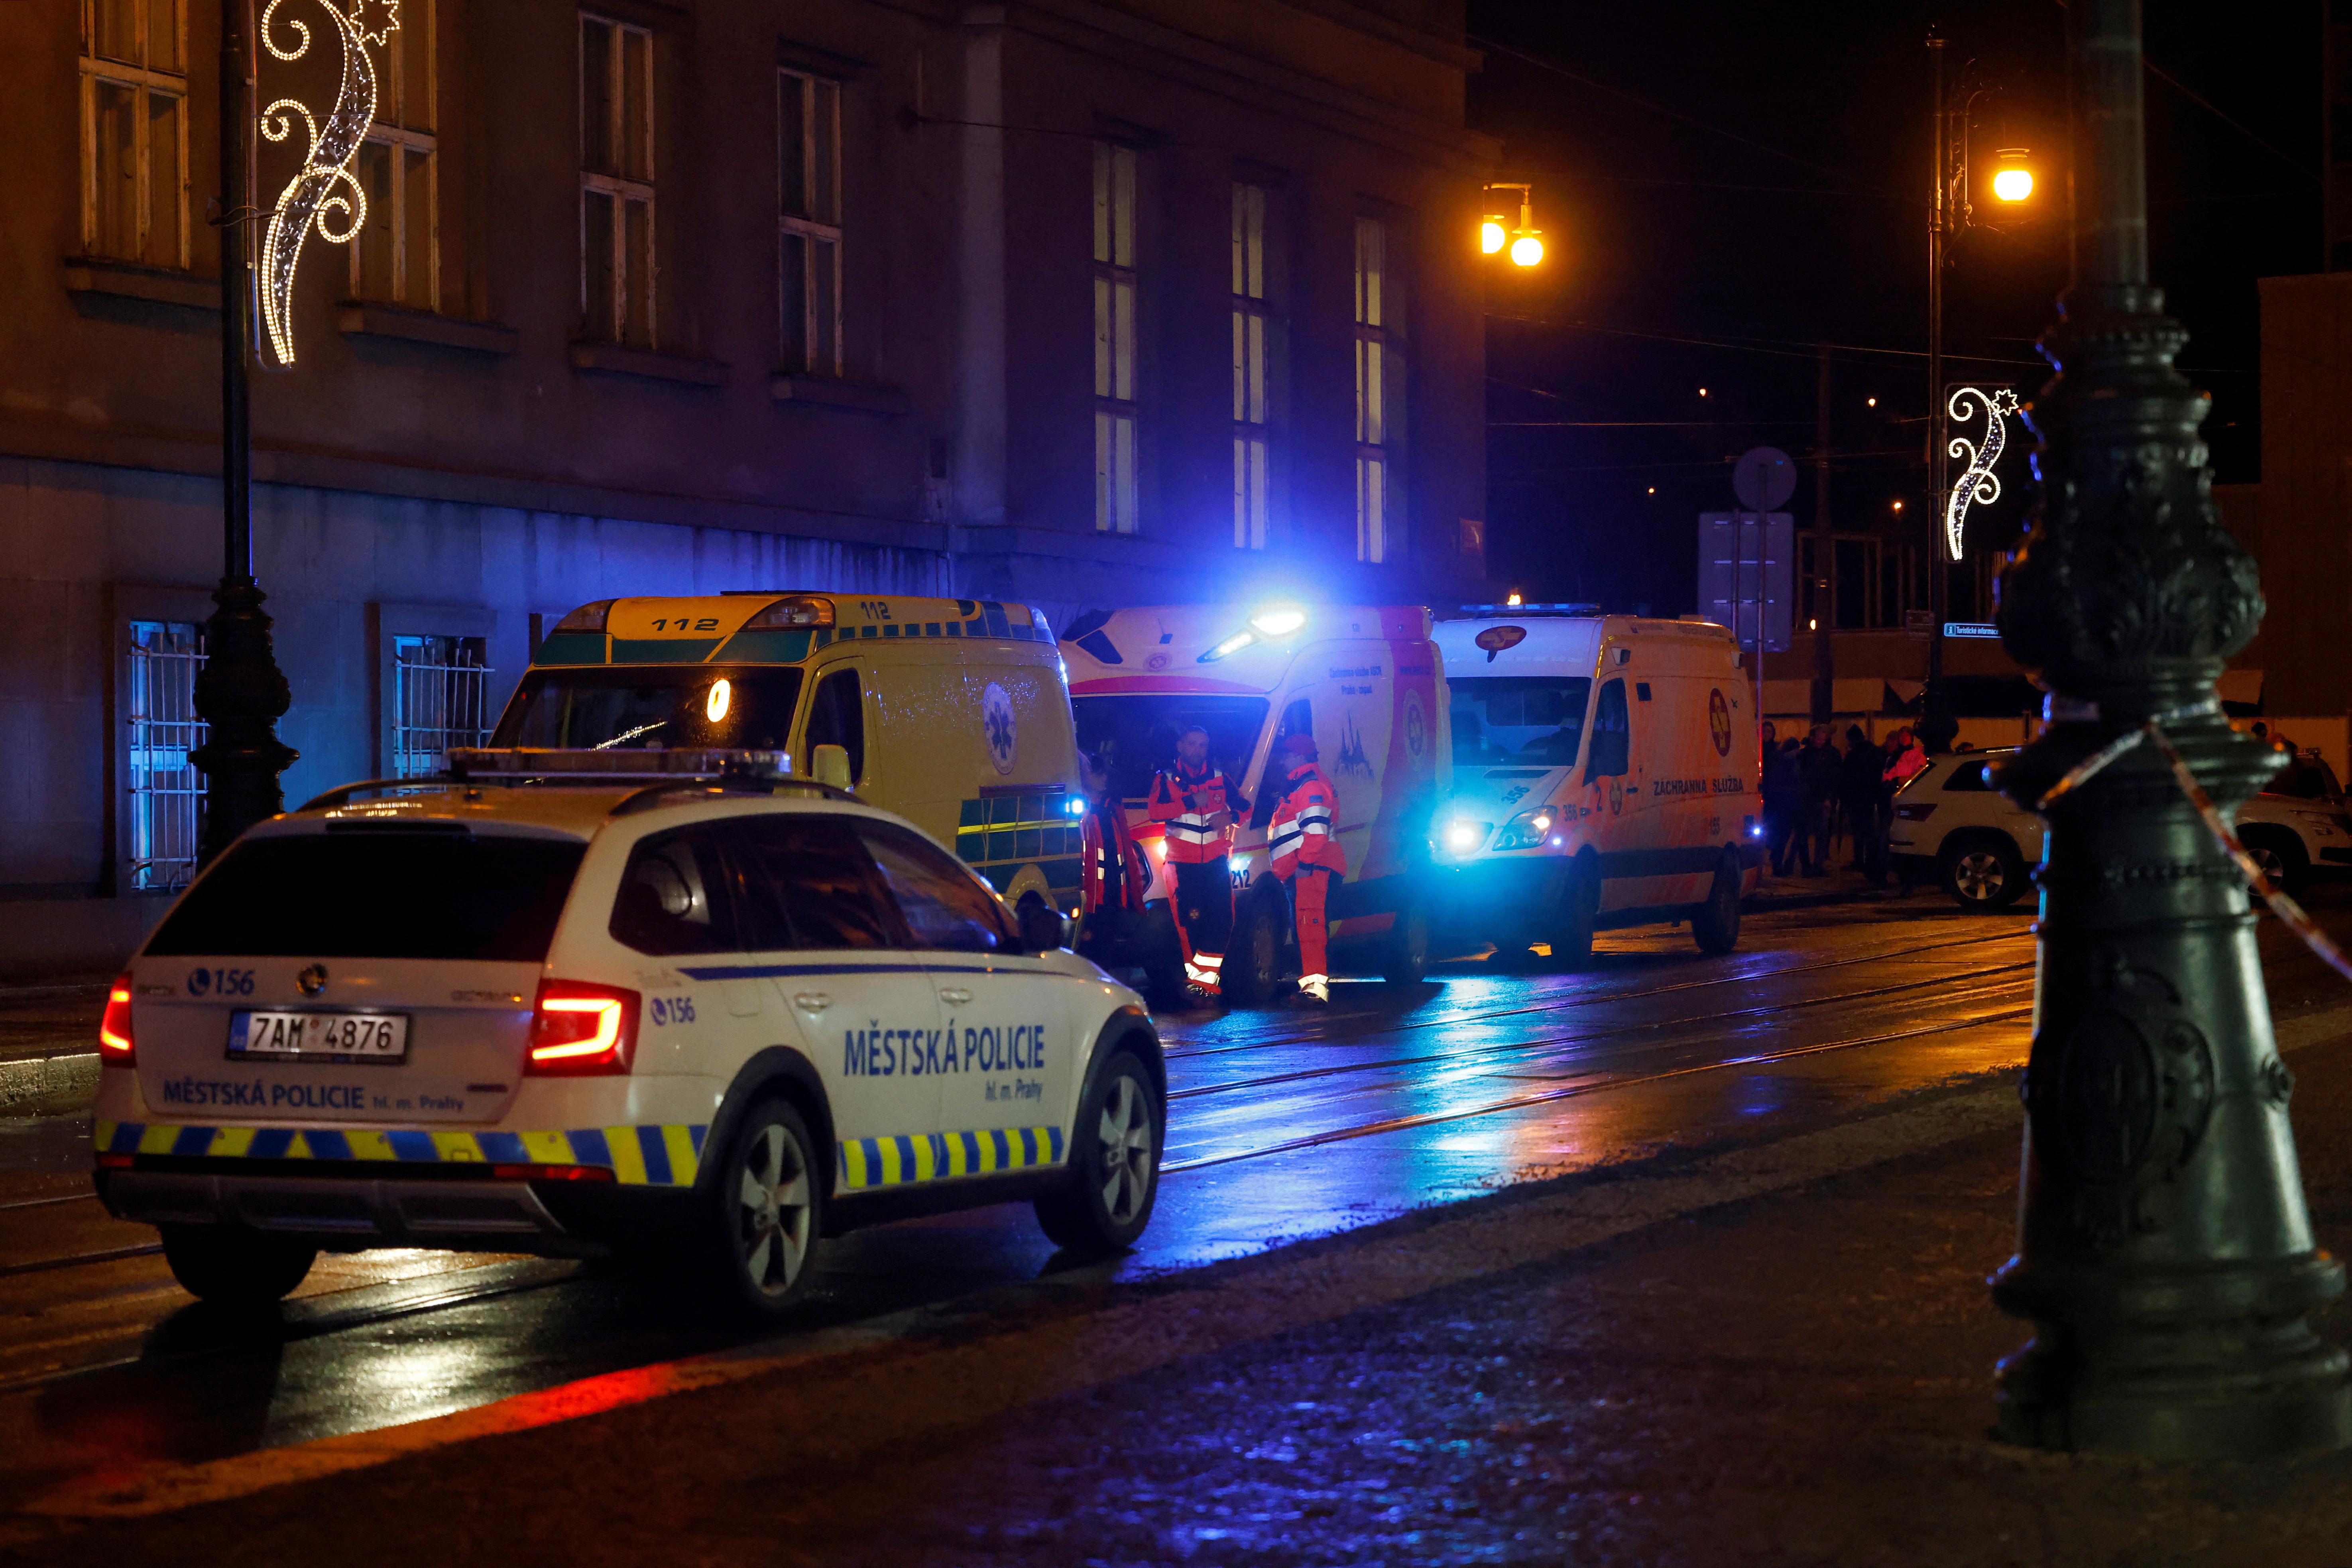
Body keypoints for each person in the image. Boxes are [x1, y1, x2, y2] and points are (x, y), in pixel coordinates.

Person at [1145, 724, 1246, 1002]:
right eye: (1192, 744)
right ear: (1180, 746)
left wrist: (1232, 816)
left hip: (1215, 861)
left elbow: (1246, 806)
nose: (1197, 750)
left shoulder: (1220, 778)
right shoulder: (1165, 779)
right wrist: (1190, 800)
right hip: (1182, 863)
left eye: (1202, 745)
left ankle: (1201, 982)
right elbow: (1155, 812)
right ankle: (1201, 985)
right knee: (1192, 924)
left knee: (1224, 920)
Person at [1268, 730, 1346, 1005]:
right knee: (1307, 927)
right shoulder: (1304, 784)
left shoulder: (1310, 786)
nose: (1282, 761)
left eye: (1286, 755)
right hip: (1308, 870)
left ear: (1300, 756)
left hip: (1313, 870)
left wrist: (1304, 865)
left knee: (1310, 927)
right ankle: (1311, 986)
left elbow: (1316, 834)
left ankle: (1315, 989)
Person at [1842, 724, 1886, 882]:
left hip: (1858, 799)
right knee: (1871, 834)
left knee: (1862, 833)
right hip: (1873, 798)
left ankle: (1863, 862)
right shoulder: (1876, 753)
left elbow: (1846, 778)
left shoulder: (1854, 756)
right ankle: (1869, 863)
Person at [1765, 738, 1814, 877]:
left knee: (1793, 837)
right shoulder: (1784, 763)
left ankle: (1795, 866)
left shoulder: (1788, 762)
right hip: (1787, 805)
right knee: (1786, 837)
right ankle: (1781, 865)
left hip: (1792, 805)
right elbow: (1780, 785)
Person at [1799, 724, 1842, 875]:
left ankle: (1817, 865)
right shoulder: (1806, 755)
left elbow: (1833, 778)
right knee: (1808, 833)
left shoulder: (1828, 755)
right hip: (1809, 799)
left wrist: (1829, 797)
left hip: (1820, 799)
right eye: (1818, 738)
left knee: (1821, 832)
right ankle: (1809, 866)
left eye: (1822, 739)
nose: (1820, 741)